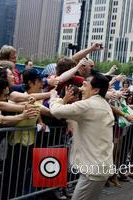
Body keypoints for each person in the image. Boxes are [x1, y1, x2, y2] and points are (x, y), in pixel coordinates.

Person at [50, 69, 114, 200]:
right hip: (99, 168)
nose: (80, 88)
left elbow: (56, 111)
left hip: (93, 171)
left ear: (96, 90)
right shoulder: (102, 104)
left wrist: (54, 98)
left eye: (85, 85)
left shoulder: (89, 105)